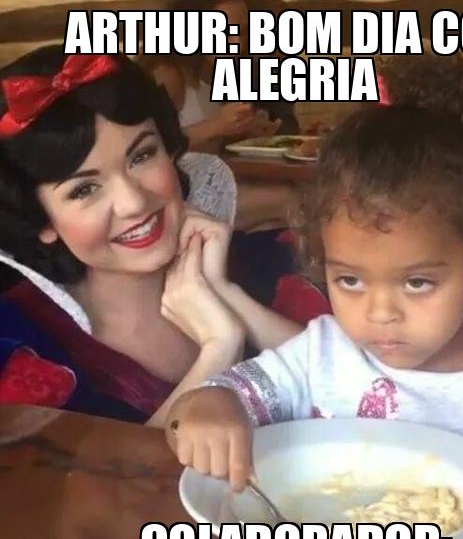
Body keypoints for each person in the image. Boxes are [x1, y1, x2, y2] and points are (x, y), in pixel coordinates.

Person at [164, 56, 463, 490]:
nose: (380, 313)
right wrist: (209, 407)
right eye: (350, 280)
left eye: (417, 283)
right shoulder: (320, 355)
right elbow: (205, 406)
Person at [0, 46, 301, 426]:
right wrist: (219, 349)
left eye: (141, 156)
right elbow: (112, 467)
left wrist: (229, 297)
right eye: (84, 189)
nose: (133, 202)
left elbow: (361, 393)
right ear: (42, 220)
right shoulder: (22, 341)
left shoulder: (262, 263)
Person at [139, 0, 299, 154]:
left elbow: (208, 146)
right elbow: (143, 146)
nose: (238, 44)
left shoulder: (224, 70)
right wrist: (215, 126)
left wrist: (245, 130)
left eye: (243, 32)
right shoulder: (166, 74)